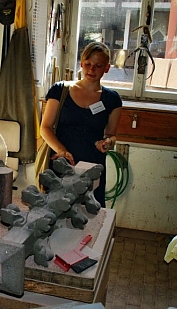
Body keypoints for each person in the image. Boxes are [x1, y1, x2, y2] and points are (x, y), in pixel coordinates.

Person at [40, 41, 122, 208]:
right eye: (88, 64)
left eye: (98, 66)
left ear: (107, 68)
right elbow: (45, 127)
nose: (91, 70)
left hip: (92, 165)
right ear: (81, 63)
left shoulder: (112, 99)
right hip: (63, 162)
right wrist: (61, 150)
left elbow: (111, 134)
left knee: (91, 213)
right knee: (56, 211)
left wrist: (107, 142)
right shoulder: (59, 90)